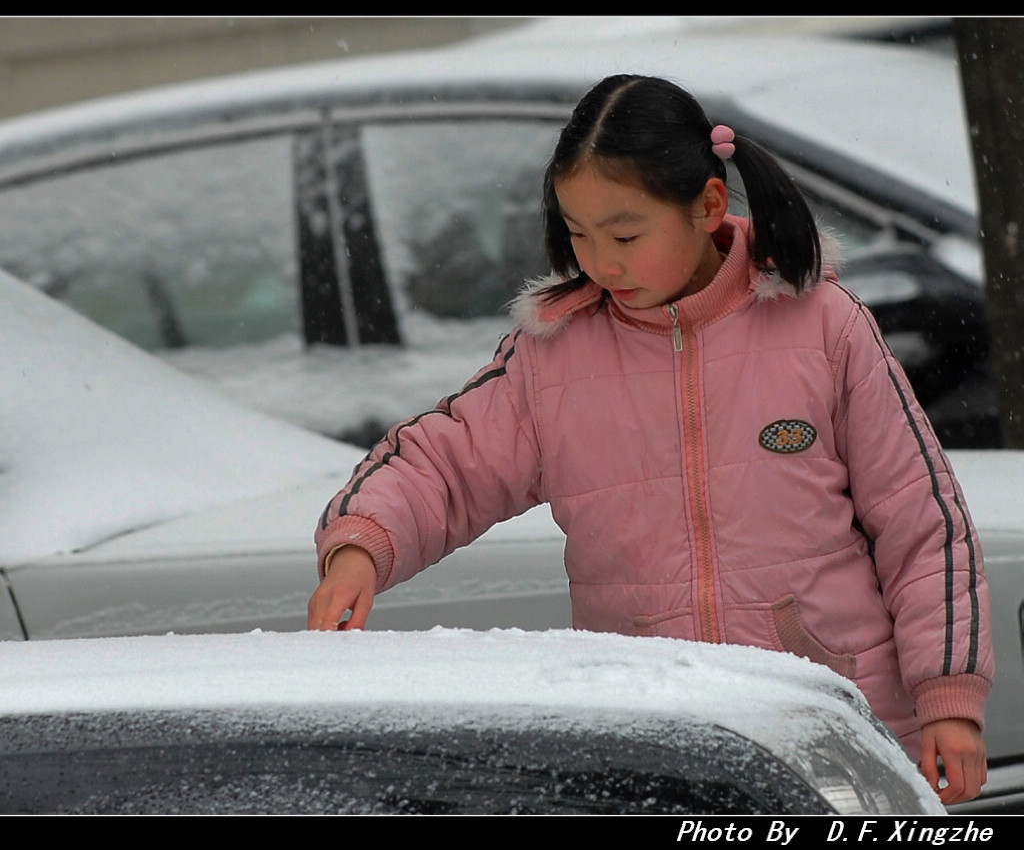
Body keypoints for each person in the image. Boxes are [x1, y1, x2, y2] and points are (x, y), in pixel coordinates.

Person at [309, 74, 992, 804]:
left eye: (626, 234)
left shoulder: (821, 325)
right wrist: (361, 546)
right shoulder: (555, 356)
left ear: (705, 205)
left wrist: (946, 696)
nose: (602, 262)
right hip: (658, 744)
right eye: (578, 234)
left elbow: (923, 524)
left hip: (830, 735)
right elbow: (445, 462)